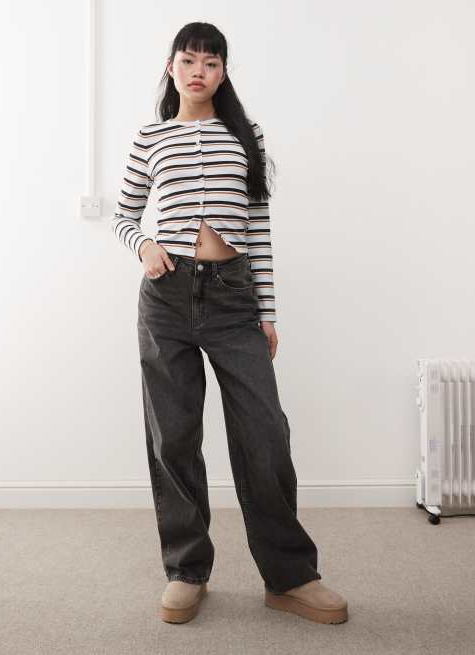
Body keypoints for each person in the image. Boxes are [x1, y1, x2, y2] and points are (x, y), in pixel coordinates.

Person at [111, 21, 348, 625]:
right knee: (173, 436)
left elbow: (259, 229)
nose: (199, 71)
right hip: (166, 299)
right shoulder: (150, 137)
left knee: (264, 433)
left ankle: (290, 576)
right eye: (188, 60)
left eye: (211, 63)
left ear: (223, 73)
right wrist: (143, 245)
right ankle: (187, 570)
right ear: (170, 67)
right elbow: (124, 214)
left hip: (233, 297)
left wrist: (266, 313)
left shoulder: (246, 134)